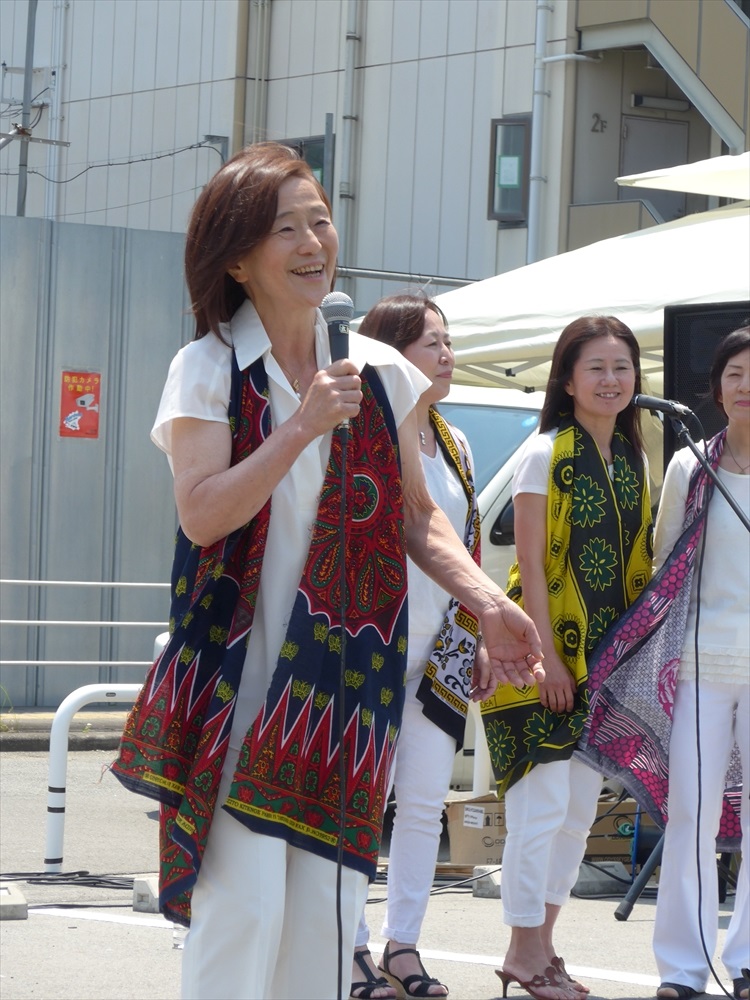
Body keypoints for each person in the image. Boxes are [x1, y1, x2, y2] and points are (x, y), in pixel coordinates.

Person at [111, 142, 544, 1000]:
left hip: (343, 692)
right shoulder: (208, 367)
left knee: (324, 919)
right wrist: (301, 426)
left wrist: (488, 599)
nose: (315, 244)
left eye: (320, 221)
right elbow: (202, 512)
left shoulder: (381, 372)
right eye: (287, 229)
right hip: (241, 681)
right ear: (237, 259)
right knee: (243, 909)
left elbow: (417, 517)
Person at [480, 316, 653, 1000]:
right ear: (568, 380)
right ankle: (523, 949)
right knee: (541, 810)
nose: (612, 380)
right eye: (596, 367)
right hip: (541, 657)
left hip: (605, 665)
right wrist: (549, 659)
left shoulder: (631, 459)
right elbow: (527, 565)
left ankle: (542, 948)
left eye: (622, 367)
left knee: (578, 815)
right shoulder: (544, 452)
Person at [349, 293, 487, 999]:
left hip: (441, 650)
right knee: (359, 802)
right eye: (431, 343)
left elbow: (465, 545)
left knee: (425, 803)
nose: (446, 355)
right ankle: (349, 946)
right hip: (369, 644)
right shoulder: (359, 431)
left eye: (447, 341)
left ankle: (402, 944)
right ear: (390, 354)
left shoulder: (454, 442)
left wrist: (479, 629)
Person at [650, 328, 750, 1000]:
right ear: (716, 387)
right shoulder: (690, 466)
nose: (747, 386)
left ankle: (746, 960)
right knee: (690, 814)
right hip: (697, 662)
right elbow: (665, 566)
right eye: (735, 373)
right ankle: (684, 969)